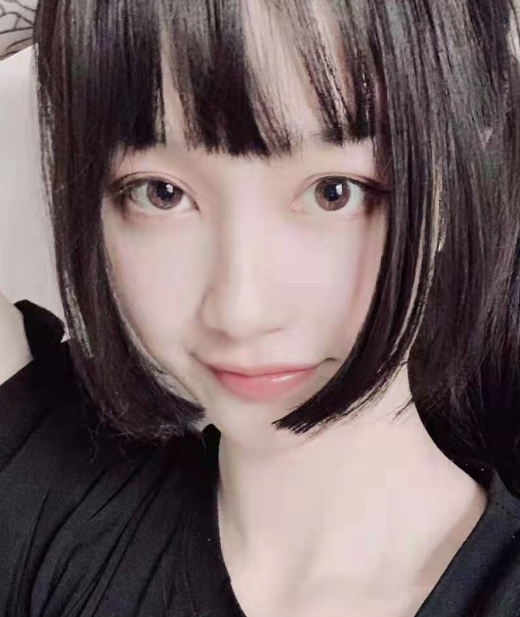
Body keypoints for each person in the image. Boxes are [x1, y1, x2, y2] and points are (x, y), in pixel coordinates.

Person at [1, 1, 520, 615]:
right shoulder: (59, 501)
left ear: (459, 171)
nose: (240, 311)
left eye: (334, 193)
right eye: (161, 193)